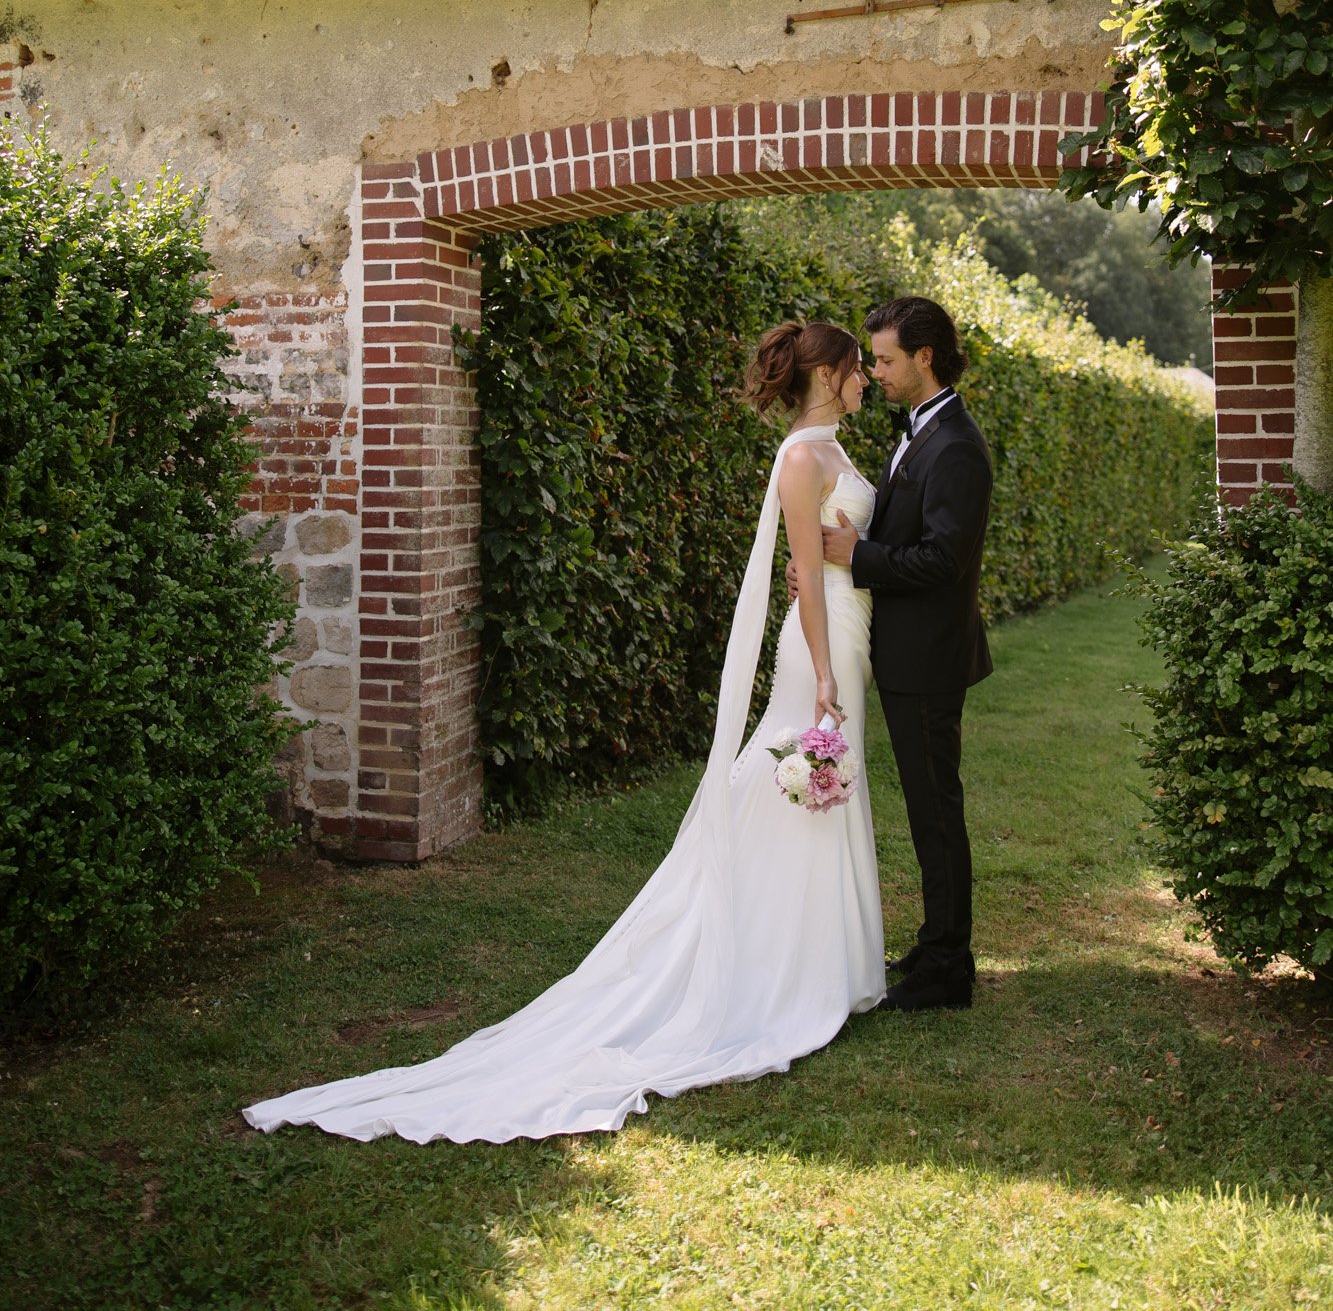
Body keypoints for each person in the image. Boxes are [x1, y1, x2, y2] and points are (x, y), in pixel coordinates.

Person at [243, 320, 885, 1145]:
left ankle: (825, 958)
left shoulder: (832, 448)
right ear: (828, 373)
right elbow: (801, 575)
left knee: (821, 789)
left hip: (848, 624)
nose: (867, 378)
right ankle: (778, 967)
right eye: (858, 367)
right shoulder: (801, 456)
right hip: (819, 644)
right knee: (798, 786)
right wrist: (825, 675)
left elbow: (837, 556)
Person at [811, 295, 993, 1014]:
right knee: (927, 807)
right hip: (909, 652)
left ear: (923, 356)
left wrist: (859, 556)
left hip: (928, 656)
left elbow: (943, 560)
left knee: (934, 810)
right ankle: (937, 943)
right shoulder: (922, 431)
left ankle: (947, 966)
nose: (873, 371)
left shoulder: (954, 446)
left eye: (883, 359)